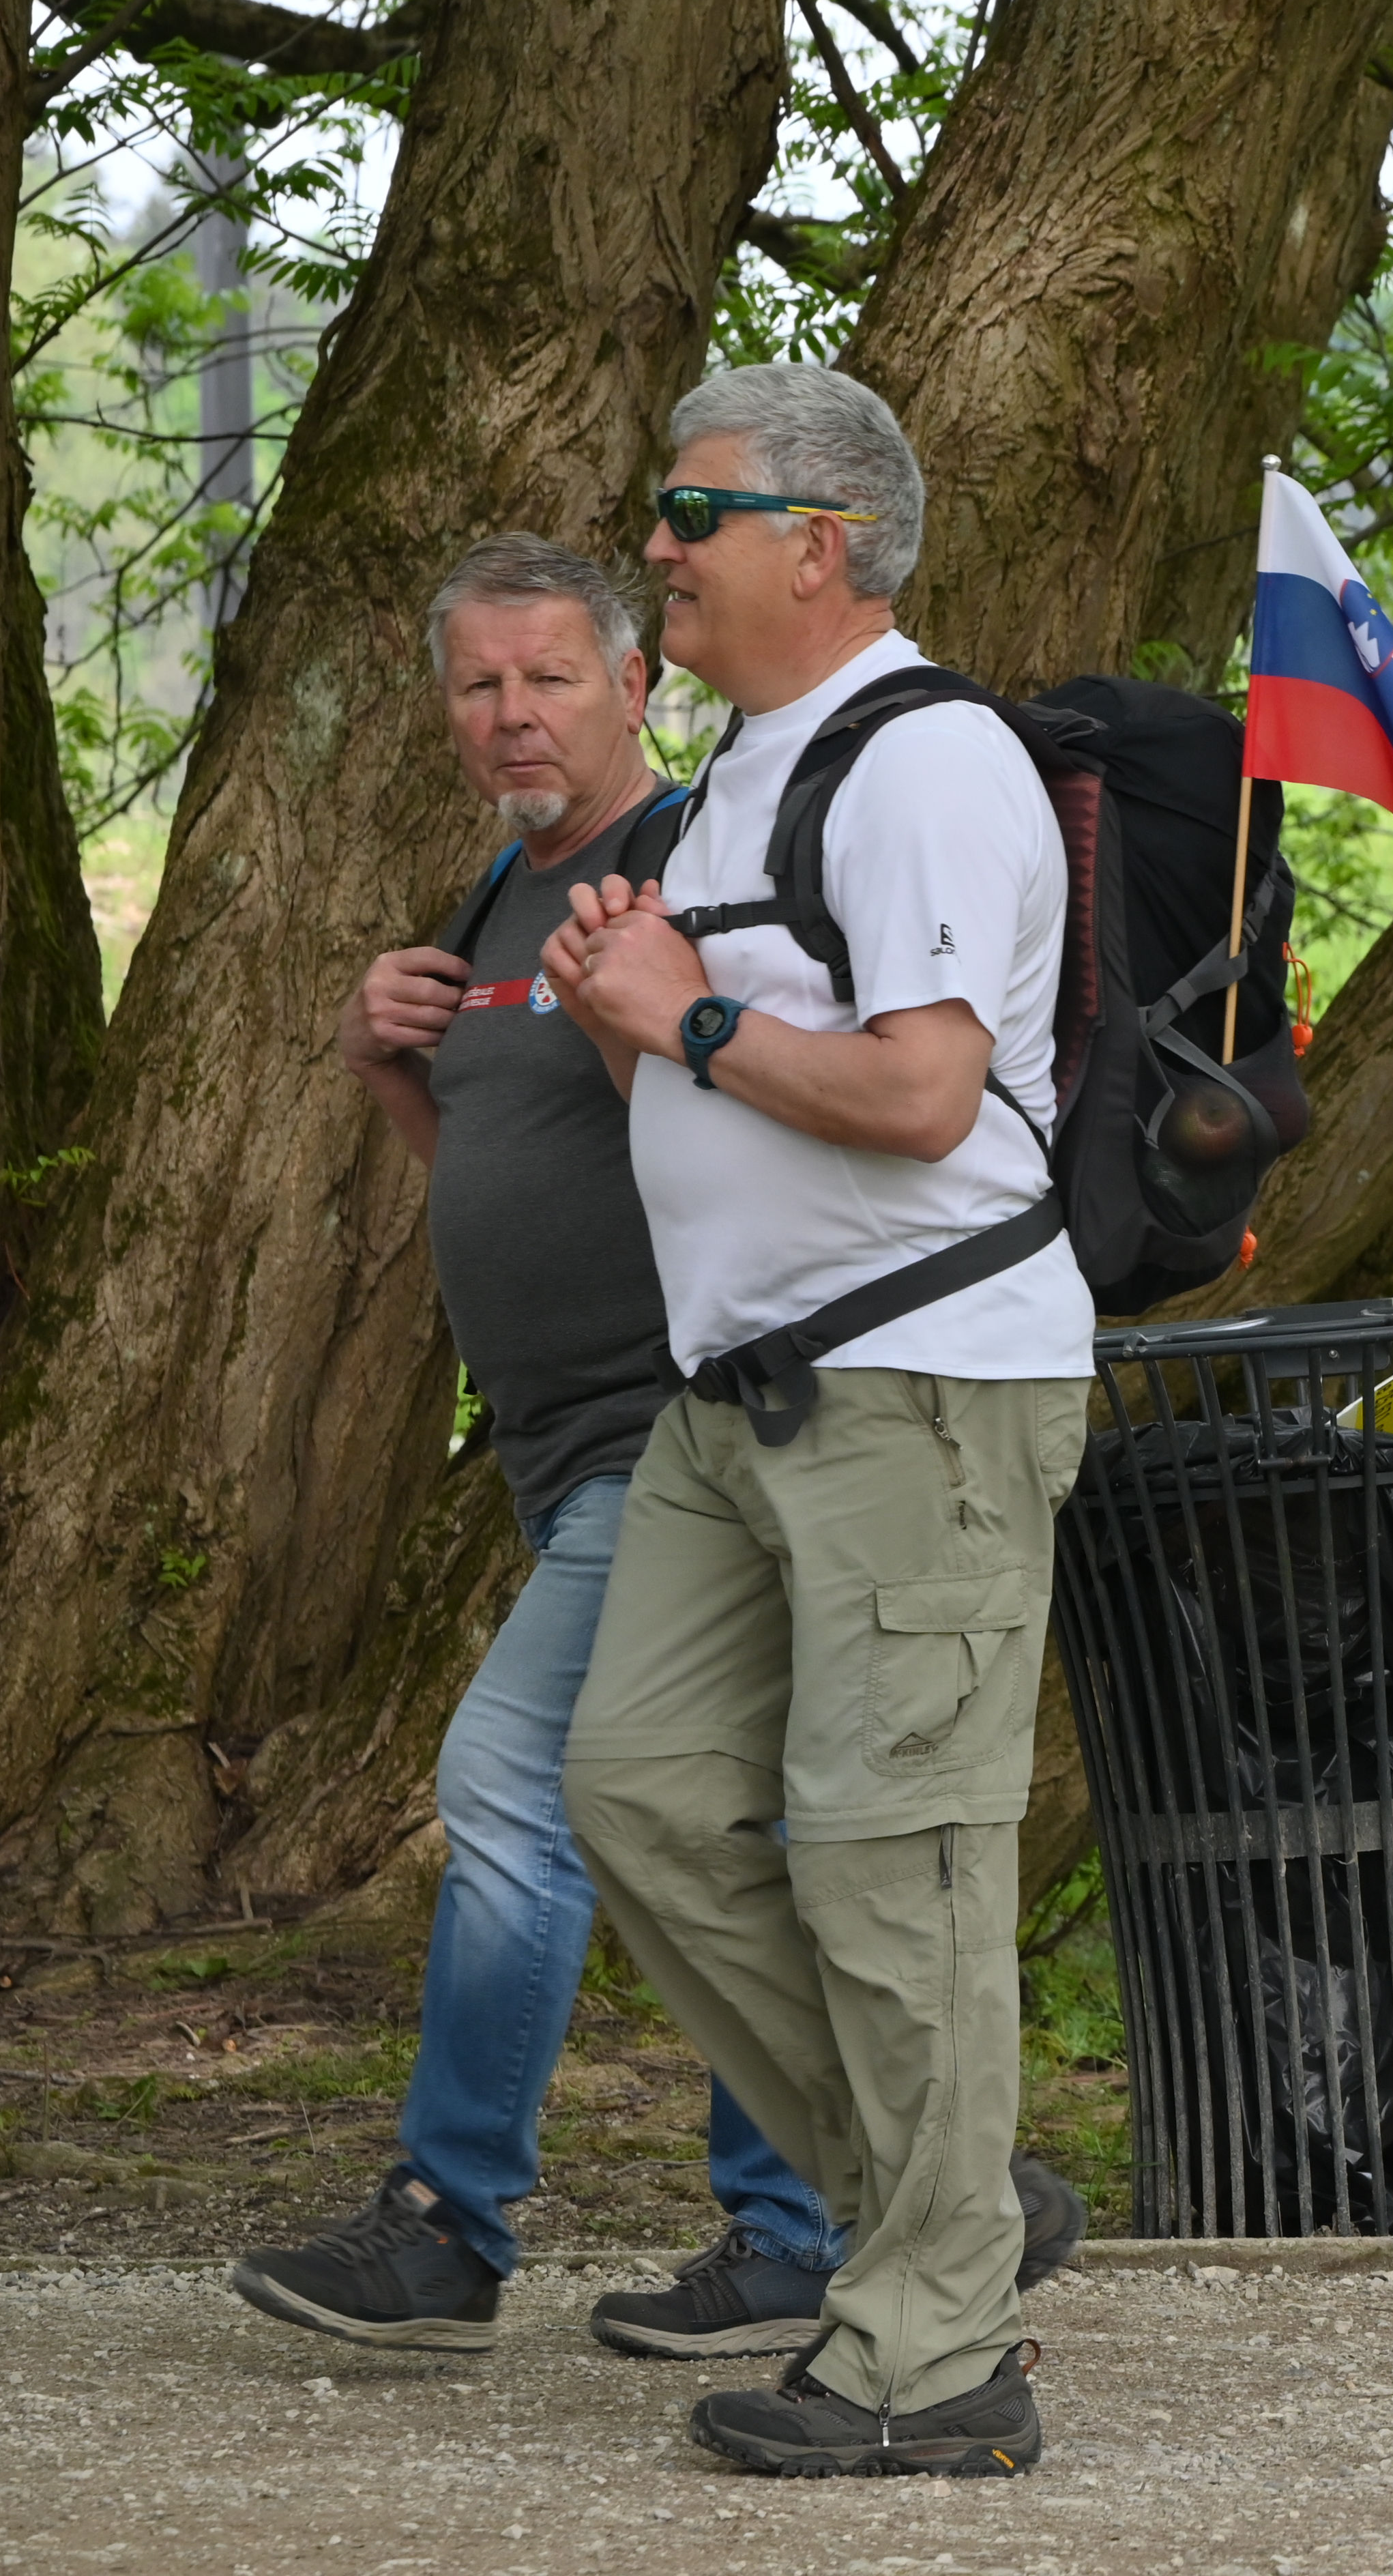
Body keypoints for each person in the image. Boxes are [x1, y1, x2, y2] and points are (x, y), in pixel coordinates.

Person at [236, 536, 1078, 2364]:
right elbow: (516, 1164)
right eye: (478, 683)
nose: (512, 714)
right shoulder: (506, 893)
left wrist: (670, 1006)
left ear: (634, 684)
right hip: (561, 1445)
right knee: (687, 1806)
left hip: (683, 1422)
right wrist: (393, 1072)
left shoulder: (686, 862)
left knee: (526, 1784)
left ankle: (459, 2219)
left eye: (551, 676)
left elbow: (742, 1118)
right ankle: (822, 2216)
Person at [547, 363, 1089, 2477]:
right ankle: (943, 2206)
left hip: (919, 1387)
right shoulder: (737, 780)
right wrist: (629, 1009)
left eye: (695, 510)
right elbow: (705, 1087)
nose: (656, 544)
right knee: (643, 1791)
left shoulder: (922, 757)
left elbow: (924, 1095)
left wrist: (678, 1007)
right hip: (746, 1393)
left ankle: (939, 2365)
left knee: (894, 1864)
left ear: (821, 544)